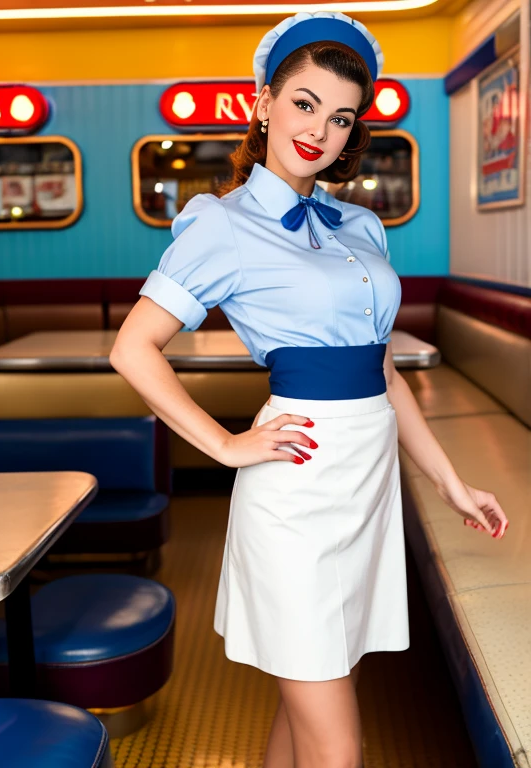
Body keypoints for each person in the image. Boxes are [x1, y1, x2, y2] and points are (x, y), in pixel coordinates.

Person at [110, 11, 509, 768]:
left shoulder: (361, 226)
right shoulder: (220, 226)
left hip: (368, 485)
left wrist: (452, 484)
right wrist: (227, 445)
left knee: (305, 715)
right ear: (262, 102)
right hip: (294, 491)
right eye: (303, 102)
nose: (318, 129)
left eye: (340, 116)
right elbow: (133, 349)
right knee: (337, 745)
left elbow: (383, 373)